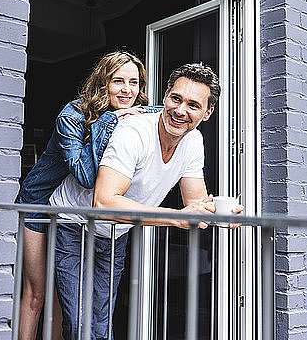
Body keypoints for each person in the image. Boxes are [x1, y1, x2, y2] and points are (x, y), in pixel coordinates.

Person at [49, 63, 244, 340]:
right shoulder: (134, 132)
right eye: (176, 99)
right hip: (73, 223)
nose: (180, 110)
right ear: (165, 96)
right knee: (80, 321)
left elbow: (196, 202)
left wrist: (220, 213)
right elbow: (103, 204)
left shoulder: (193, 142)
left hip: (115, 232)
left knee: (101, 320)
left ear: (207, 112)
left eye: (193, 105)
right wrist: (178, 216)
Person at [16, 50, 160, 340]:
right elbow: (84, 175)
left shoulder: (136, 113)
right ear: (102, 83)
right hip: (40, 202)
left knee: (64, 297)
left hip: (73, 209)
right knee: (38, 292)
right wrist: (110, 120)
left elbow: (170, 113)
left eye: (134, 83)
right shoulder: (73, 115)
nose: (127, 90)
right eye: (118, 81)